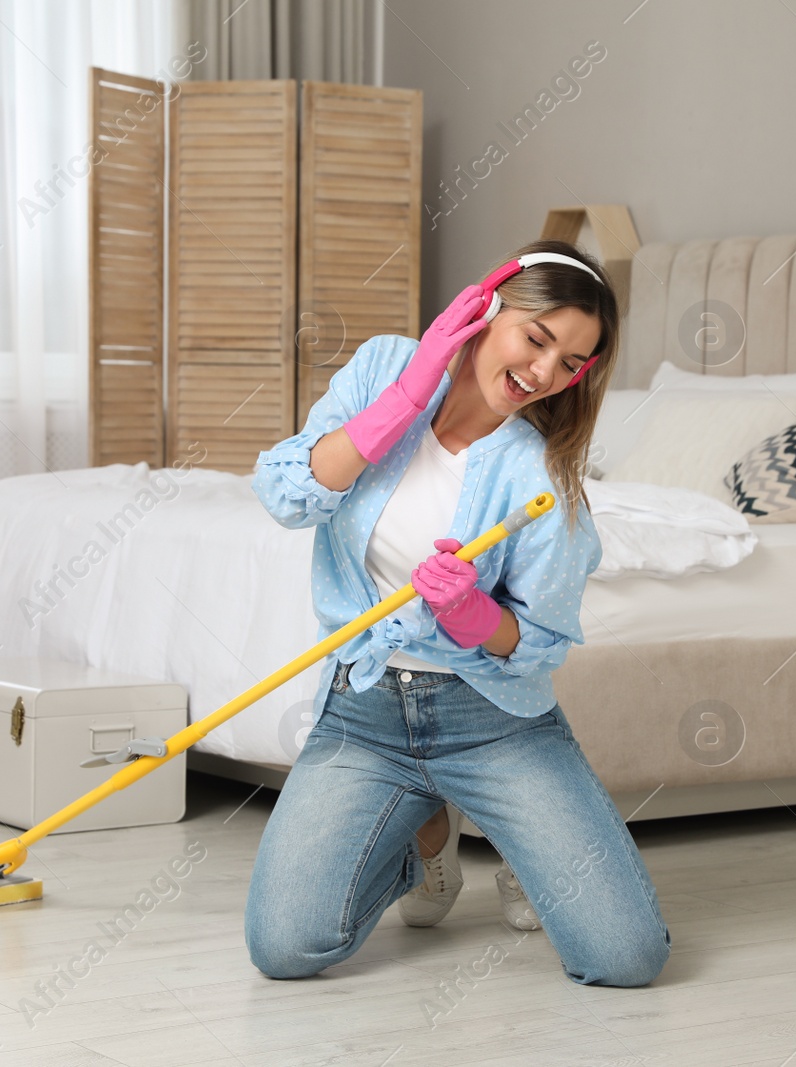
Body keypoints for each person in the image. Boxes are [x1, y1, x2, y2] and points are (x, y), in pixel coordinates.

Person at [246, 239, 671, 987]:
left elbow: (532, 644)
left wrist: (473, 612)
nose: (543, 372)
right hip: (363, 713)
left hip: (492, 723)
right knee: (285, 946)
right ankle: (426, 837)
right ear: (487, 305)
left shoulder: (543, 477)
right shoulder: (384, 365)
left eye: (569, 362)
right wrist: (405, 399)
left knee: (625, 957)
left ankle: (506, 829)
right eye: (536, 337)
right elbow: (288, 494)